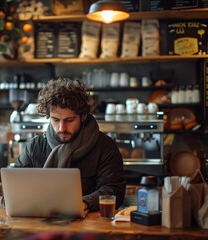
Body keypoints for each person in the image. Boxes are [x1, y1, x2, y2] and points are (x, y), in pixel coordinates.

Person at [14, 77, 126, 212]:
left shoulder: (105, 146)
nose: (62, 128)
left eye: (70, 120)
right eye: (55, 120)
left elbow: (113, 190)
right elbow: (14, 186)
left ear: (83, 116)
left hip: (90, 225)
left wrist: (84, 203)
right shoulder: (35, 146)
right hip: (41, 222)